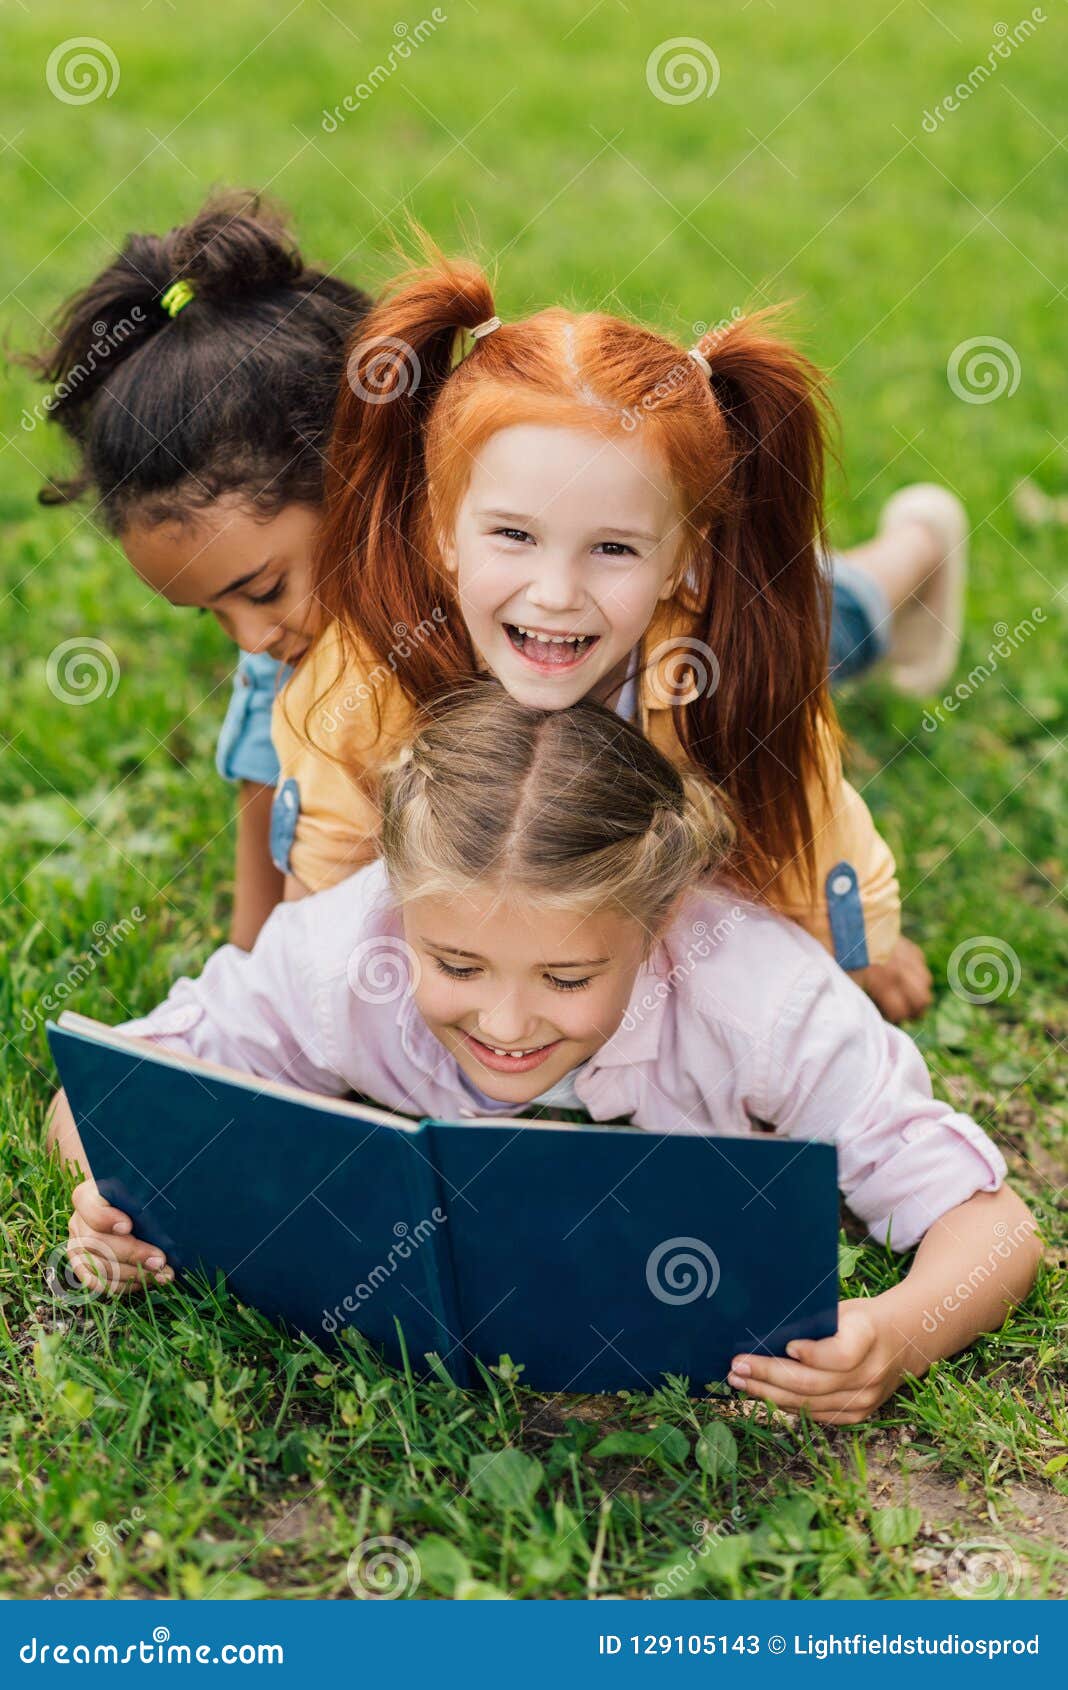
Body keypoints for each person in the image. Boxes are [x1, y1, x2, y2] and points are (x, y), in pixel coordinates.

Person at [48, 684, 1036, 1426]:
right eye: (458, 963)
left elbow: (994, 1228)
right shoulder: (345, 951)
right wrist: (111, 1187)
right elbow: (107, 1092)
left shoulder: (762, 997)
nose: (508, 1024)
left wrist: (900, 1336)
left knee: (839, 623)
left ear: (656, 928)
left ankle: (895, 568)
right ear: (399, 904)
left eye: (567, 978)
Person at [271, 245, 967, 1021]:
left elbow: (801, 819)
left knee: (837, 615)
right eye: (513, 535)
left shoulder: (733, 659)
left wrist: (856, 947)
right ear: (440, 531)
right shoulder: (377, 665)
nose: (557, 594)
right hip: (638, 619)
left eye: (612, 548)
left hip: (713, 627)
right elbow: (322, 882)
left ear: (684, 557)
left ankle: (922, 543)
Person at [28, 190, 372, 947]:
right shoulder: (274, 678)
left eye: (262, 590)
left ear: (359, 477)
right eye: (214, 613)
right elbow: (258, 945)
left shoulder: (509, 636)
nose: (250, 640)